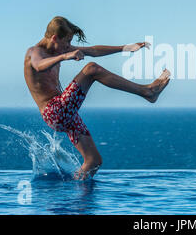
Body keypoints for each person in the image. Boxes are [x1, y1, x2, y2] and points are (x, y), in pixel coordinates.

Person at [24, 16, 170, 179]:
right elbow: (38, 65)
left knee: (93, 161)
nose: (68, 46)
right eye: (67, 41)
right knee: (91, 69)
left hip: (64, 112)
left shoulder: (57, 48)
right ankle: (147, 92)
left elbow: (93, 50)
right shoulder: (35, 52)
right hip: (55, 111)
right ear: (54, 38)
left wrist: (126, 48)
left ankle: (75, 197)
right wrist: (65, 56)